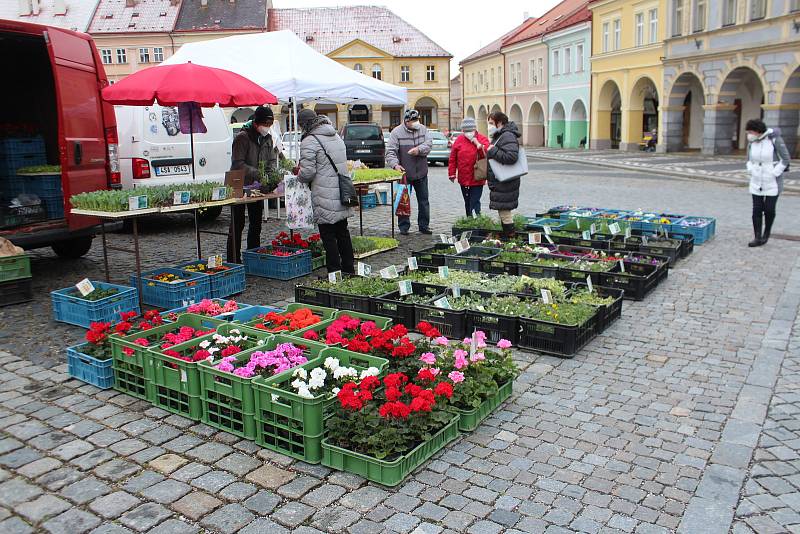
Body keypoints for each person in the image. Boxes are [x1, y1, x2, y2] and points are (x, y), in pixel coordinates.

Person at [296, 108, 355, 273]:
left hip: (324, 194)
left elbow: (308, 172)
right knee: (343, 232)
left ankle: (334, 273)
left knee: (328, 236)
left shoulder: (310, 140)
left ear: (304, 124)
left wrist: (298, 176)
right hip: (341, 192)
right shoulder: (335, 135)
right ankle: (349, 270)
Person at [227, 105, 278, 263]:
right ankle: (233, 259)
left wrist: (271, 177)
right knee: (237, 224)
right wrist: (258, 173)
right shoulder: (242, 137)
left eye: (270, 125)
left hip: (257, 186)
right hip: (237, 183)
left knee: (256, 222)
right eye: (265, 124)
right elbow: (237, 164)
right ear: (256, 123)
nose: (267, 128)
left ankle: (252, 256)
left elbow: (270, 161)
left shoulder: (267, 138)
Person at [386, 109, 433, 235]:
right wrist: (395, 165)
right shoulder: (396, 132)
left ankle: (424, 226)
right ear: (406, 121)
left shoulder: (423, 129)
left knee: (424, 200)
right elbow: (390, 152)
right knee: (403, 200)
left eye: (417, 120)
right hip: (404, 173)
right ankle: (404, 226)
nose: (416, 122)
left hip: (421, 172)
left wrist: (418, 150)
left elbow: (428, 144)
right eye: (413, 121)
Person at [745, 119, 791, 247]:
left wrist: (774, 172)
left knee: (769, 209)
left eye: (750, 131)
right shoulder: (752, 142)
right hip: (756, 180)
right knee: (756, 209)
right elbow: (748, 159)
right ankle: (757, 237)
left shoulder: (774, 140)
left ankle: (766, 234)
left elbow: (786, 159)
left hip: (772, 181)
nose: (749, 134)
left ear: (758, 131)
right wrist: (751, 169)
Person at [485, 110, 522, 237]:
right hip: (501, 180)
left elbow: (511, 156)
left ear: (499, 122)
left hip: (506, 180)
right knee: (503, 211)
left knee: (505, 212)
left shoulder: (507, 135)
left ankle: (511, 238)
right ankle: (508, 237)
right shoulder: (501, 135)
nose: (489, 126)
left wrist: (493, 150)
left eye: (491, 123)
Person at [448, 117, 490, 217]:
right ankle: (469, 217)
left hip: (477, 176)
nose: (468, 133)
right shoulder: (459, 140)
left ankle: (477, 218)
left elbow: (486, 154)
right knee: (467, 200)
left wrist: (478, 144)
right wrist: (452, 173)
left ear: (474, 129)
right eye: (466, 131)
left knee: (474, 199)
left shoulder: (482, 138)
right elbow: (453, 158)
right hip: (464, 177)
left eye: (470, 130)